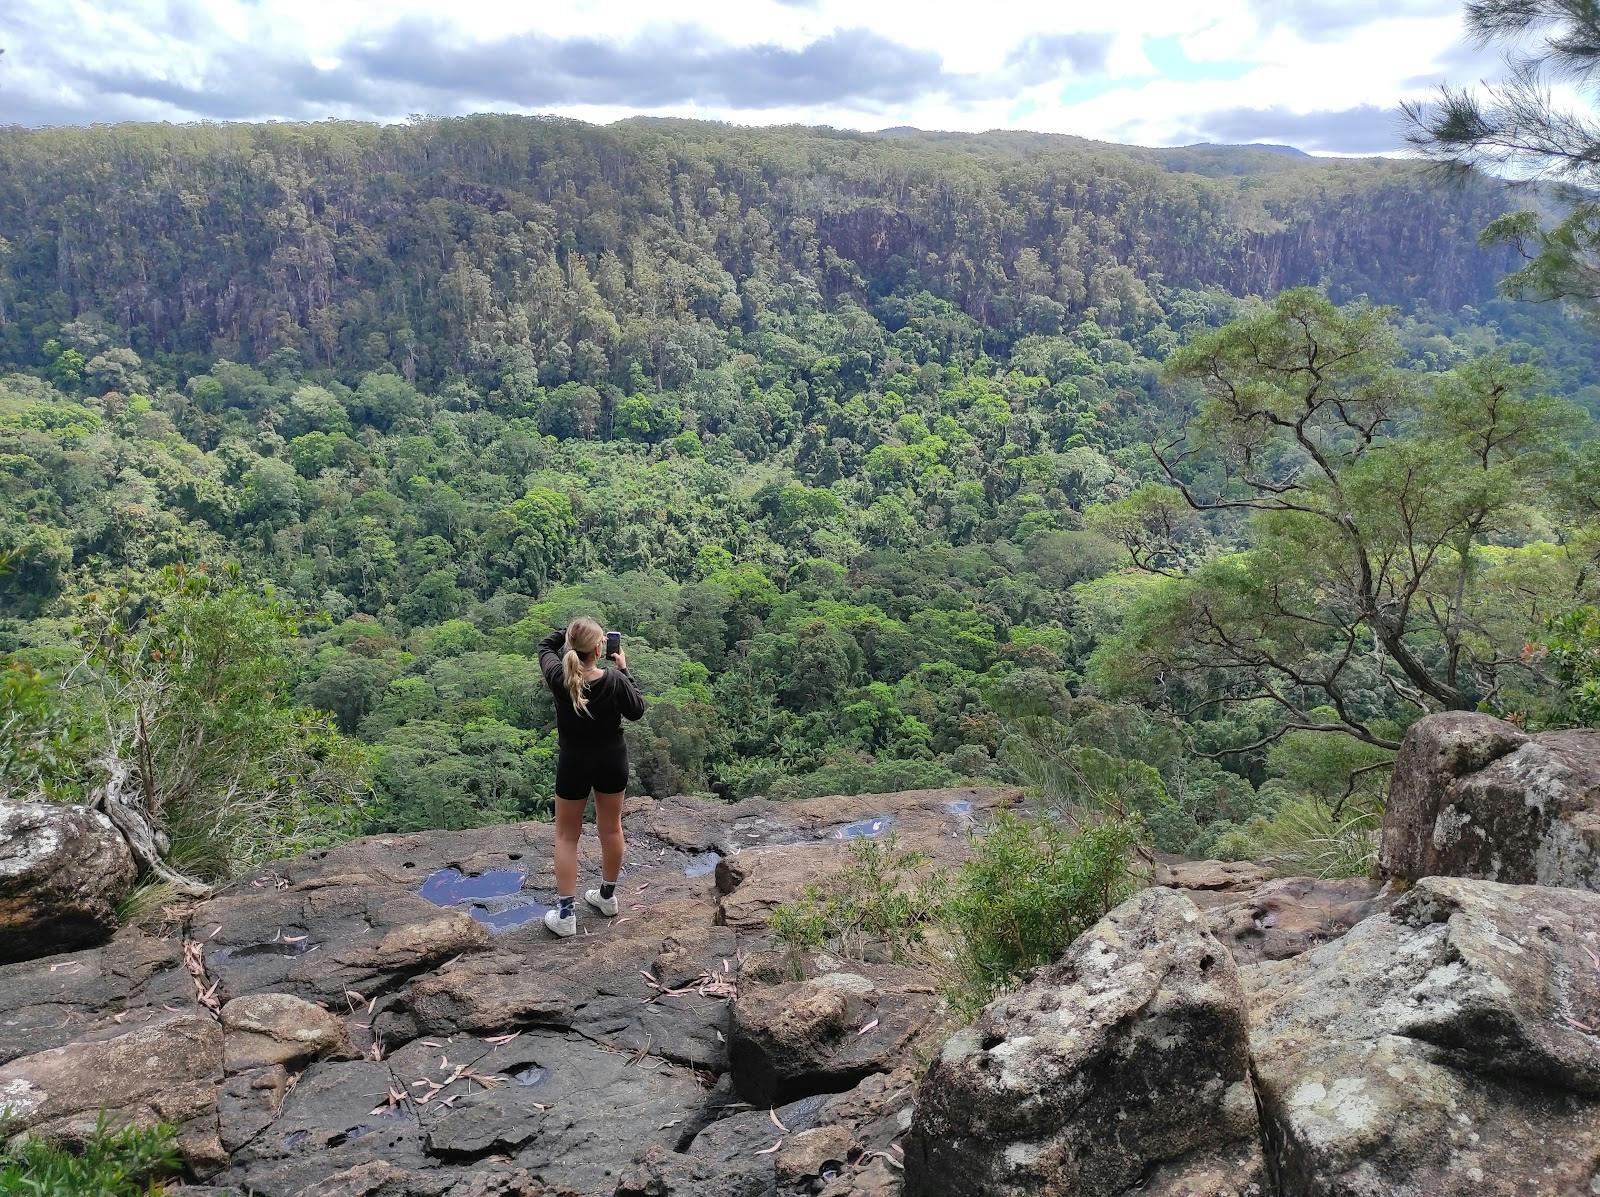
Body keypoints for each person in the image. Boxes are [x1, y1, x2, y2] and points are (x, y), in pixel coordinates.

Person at [536, 617, 646, 937]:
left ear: (571, 647)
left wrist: (567, 632)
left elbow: (545, 646)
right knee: (610, 828)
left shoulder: (560, 677)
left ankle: (566, 915)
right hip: (612, 761)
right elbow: (637, 710)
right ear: (600, 648)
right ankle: (607, 898)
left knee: (566, 837)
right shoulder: (614, 680)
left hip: (574, 763)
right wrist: (624, 669)